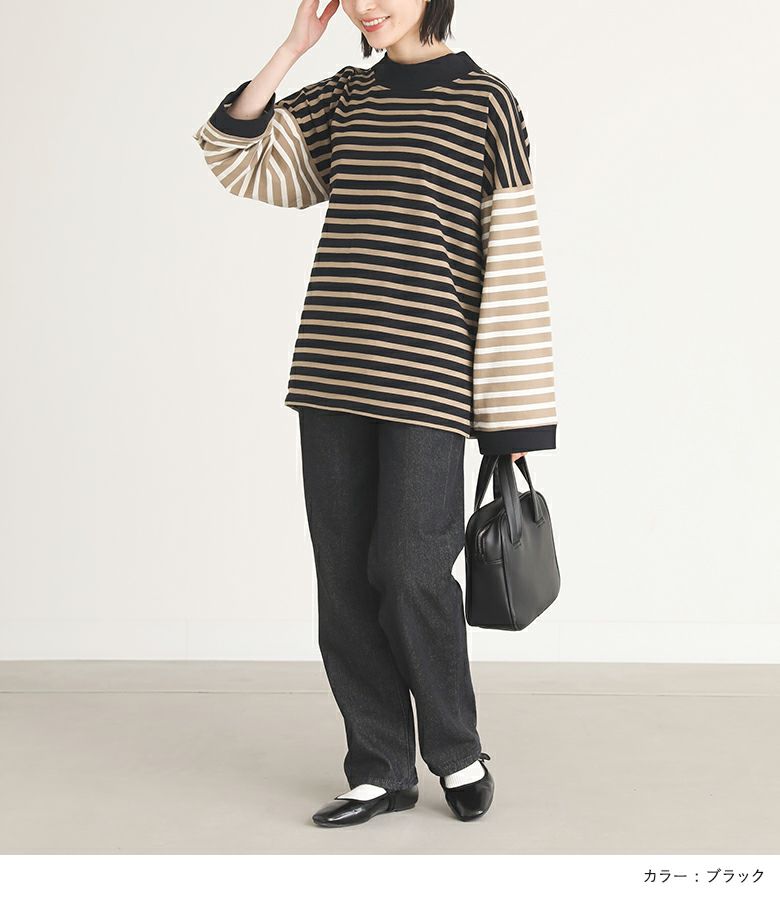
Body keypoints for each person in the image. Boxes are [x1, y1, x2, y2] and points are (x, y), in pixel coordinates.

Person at [192, 0, 558, 827]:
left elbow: (511, 254)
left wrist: (511, 413)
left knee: (410, 569)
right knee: (345, 578)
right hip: (331, 372)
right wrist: (293, 48)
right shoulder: (348, 96)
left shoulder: (486, 102)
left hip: (428, 378)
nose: (366, 3)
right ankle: (381, 767)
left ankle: (457, 749)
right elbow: (239, 156)